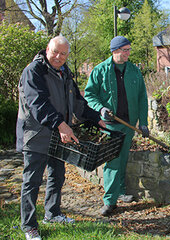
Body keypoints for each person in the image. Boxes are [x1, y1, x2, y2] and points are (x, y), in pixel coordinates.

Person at [16, 36, 106, 240]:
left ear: (67, 55)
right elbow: (38, 104)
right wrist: (61, 124)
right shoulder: (34, 71)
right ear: (47, 49)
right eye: (55, 51)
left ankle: (53, 214)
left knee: (57, 175)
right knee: (32, 181)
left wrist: (96, 119)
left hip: (58, 136)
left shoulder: (65, 73)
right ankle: (29, 226)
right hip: (36, 135)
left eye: (63, 54)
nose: (58, 57)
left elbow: (77, 102)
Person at [84, 36, 149, 216]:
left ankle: (120, 191)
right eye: (125, 50)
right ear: (115, 51)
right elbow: (89, 95)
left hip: (129, 124)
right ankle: (110, 202)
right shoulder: (100, 71)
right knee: (112, 160)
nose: (128, 53)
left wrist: (143, 123)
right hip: (110, 124)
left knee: (123, 157)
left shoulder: (134, 71)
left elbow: (142, 98)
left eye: (129, 49)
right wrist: (101, 108)